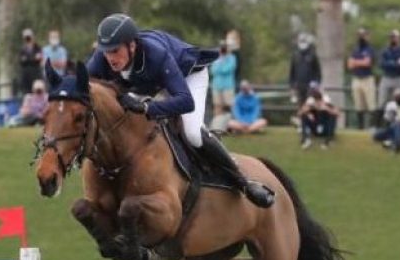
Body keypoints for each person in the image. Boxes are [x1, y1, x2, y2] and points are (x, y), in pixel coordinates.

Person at [87, 13, 274, 208]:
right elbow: (83, 87)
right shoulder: (102, 58)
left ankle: (243, 182)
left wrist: (147, 107)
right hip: (154, 84)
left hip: (188, 78)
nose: (110, 58)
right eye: (106, 51)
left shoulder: (155, 54)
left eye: (115, 51)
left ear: (131, 45)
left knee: (192, 133)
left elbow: (185, 101)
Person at [347, 28, 376, 129]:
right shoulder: (355, 49)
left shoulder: (369, 49)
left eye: (363, 35)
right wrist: (360, 62)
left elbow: (367, 63)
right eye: (360, 35)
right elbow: (349, 65)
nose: (361, 37)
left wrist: (356, 62)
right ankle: (361, 127)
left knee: (370, 103)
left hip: (367, 79)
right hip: (356, 78)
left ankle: (372, 126)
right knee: (358, 104)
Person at [373, 89, 400, 153]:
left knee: (397, 125)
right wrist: (391, 117)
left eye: (399, 97)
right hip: (391, 127)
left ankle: (398, 145)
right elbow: (386, 119)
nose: (398, 98)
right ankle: (394, 140)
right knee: (376, 136)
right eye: (396, 96)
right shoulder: (390, 105)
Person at [288, 33, 321, 107]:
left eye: (304, 41)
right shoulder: (295, 55)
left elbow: (317, 72)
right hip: (299, 86)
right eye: (301, 41)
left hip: (311, 86)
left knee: (311, 106)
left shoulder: (312, 55)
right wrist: (292, 86)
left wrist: (316, 83)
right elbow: (292, 73)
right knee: (300, 107)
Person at [379, 30, 400, 110]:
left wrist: (389, 63)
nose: (392, 39)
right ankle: (380, 122)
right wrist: (394, 63)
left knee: (398, 102)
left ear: (399, 38)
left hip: (398, 78)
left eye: (394, 37)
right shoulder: (385, 50)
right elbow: (382, 64)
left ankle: (397, 121)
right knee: (382, 102)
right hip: (386, 77)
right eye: (391, 37)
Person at [209, 42, 237, 117]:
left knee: (229, 105)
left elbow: (227, 69)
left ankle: (232, 124)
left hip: (227, 86)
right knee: (217, 105)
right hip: (216, 85)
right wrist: (220, 65)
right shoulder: (217, 57)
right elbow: (212, 70)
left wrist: (219, 67)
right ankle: (217, 124)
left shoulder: (232, 58)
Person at [19, 28, 43, 96]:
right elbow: (21, 62)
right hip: (26, 77)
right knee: (27, 95)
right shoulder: (22, 49)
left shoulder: (38, 48)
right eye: (26, 38)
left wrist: (27, 59)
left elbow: (38, 59)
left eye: (29, 37)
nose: (28, 39)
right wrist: (33, 59)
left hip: (36, 75)